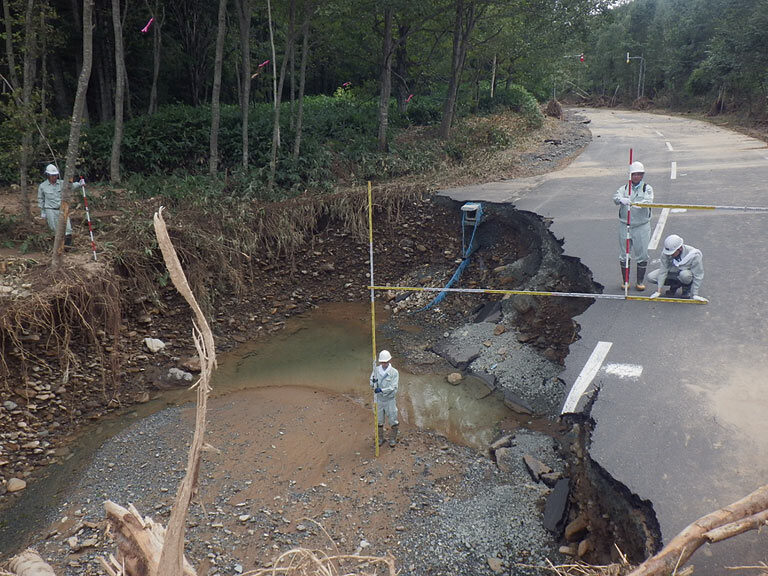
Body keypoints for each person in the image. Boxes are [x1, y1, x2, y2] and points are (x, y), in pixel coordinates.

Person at [613, 161, 653, 291]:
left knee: (642, 254)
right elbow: (615, 198)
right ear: (630, 175)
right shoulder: (624, 189)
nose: (636, 176)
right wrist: (621, 200)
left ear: (642, 175)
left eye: (639, 174)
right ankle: (625, 281)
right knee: (624, 254)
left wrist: (637, 204)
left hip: (641, 226)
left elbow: (648, 201)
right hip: (625, 224)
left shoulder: (647, 188)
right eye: (634, 174)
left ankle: (640, 281)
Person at [648, 234, 707, 302]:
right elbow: (663, 271)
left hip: (686, 274)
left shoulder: (694, 254)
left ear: (680, 249)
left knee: (685, 275)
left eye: (672, 253)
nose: (670, 255)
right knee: (651, 277)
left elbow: (698, 274)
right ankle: (675, 285)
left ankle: (686, 288)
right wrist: (659, 291)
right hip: (673, 272)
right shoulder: (666, 253)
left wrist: (695, 294)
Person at [37, 164, 85, 248]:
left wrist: (79, 184)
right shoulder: (43, 186)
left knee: (68, 229)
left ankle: (67, 247)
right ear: (48, 175)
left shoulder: (61, 183)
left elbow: (71, 186)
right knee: (54, 229)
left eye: (55, 175)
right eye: (52, 175)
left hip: (62, 208)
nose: (54, 177)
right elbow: (41, 199)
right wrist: (43, 211)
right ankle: (57, 248)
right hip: (50, 210)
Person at [370, 349, 399, 447]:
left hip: (390, 400)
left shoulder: (394, 372)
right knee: (379, 420)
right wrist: (373, 383)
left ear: (389, 361)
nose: (384, 364)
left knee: (393, 419)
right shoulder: (376, 370)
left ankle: (392, 439)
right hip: (379, 400)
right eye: (383, 362)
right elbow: (371, 382)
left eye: (386, 362)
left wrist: (382, 390)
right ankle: (380, 439)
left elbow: (393, 387)